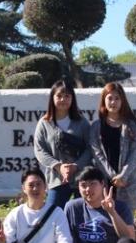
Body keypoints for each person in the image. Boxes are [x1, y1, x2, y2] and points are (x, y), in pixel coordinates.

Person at [33, 80, 92, 209]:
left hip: (81, 179)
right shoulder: (45, 123)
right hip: (56, 179)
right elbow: (39, 149)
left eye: (67, 96)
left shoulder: (81, 122)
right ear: (52, 98)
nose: (63, 99)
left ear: (72, 98)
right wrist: (58, 166)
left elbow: (90, 148)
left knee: (83, 214)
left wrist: (76, 166)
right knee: (51, 213)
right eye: (59, 96)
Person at [89, 82, 136, 212]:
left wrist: (123, 176)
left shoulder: (131, 126)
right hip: (104, 181)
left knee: (126, 220)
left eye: (117, 98)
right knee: (104, 220)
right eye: (110, 98)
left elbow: (135, 154)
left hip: (127, 183)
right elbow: (97, 154)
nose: (113, 102)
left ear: (122, 101)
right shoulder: (96, 127)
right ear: (104, 100)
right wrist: (113, 176)